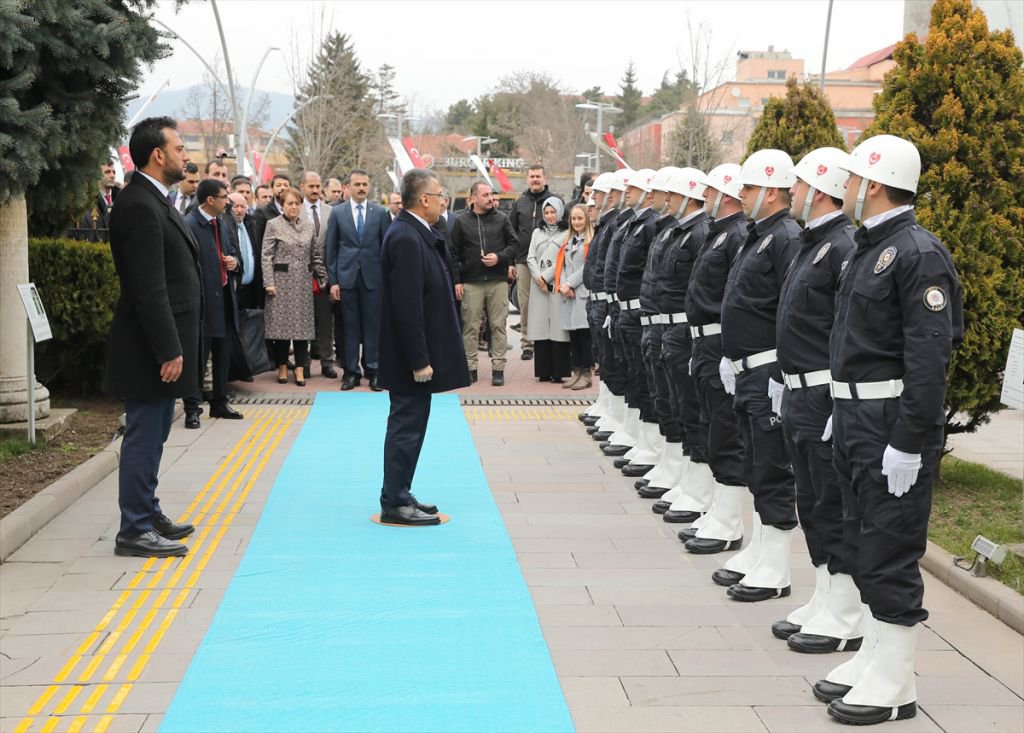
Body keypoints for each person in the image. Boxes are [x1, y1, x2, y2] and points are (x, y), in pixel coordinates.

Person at [814, 135, 963, 727]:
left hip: (888, 423)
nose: (848, 189)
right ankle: (874, 657)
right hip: (855, 416)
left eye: (853, 179)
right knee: (858, 540)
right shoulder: (867, 248)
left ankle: (896, 680)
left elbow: (928, 359)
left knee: (888, 549)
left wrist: (908, 440)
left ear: (873, 183)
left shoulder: (918, 254)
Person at [768, 148, 861, 654]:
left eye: (799, 186)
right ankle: (825, 594)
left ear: (820, 189)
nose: (792, 195)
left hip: (825, 393)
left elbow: (846, 331)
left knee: (831, 501)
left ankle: (846, 611)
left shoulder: (842, 245)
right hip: (799, 390)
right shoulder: (812, 244)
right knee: (811, 500)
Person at [104, 116, 200, 558]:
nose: (186, 156)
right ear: (158, 154)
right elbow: (148, 287)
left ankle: (147, 509)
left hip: (160, 343)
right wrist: (168, 348)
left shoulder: (154, 199)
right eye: (180, 148)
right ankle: (134, 529)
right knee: (144, 434)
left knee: (156, 431)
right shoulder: (139, 204)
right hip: (149, 348)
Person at [717, 149, 801, 602]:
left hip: (768, 368)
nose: (740, 195)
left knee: (771, 467)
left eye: (747, 188)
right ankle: (760, 548)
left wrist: (781, 373)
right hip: (747, 369)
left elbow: (791, 310)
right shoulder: (759, 234)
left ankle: (776, 567)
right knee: (754, 462)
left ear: (770, 191)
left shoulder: (785, 236)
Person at [377, 169, 470, 526]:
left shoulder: (417, 232)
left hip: (416, 354)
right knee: (406, 425)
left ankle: (401, 491)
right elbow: (407, 305)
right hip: (408, 358)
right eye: (439, 193)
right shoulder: (405, 236)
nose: (443, 199)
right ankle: (394, 500)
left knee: (413, 424)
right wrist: (418, 359)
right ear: (424, 199)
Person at [677, 164, 748, 555]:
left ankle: (729, 521)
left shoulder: (735, 234)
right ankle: (718, 510)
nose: (705, 197)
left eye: (711, 191)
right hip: (702, 342)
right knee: (708, 424)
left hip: (719, 342)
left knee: (724, 430)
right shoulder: (719, 233)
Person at [182, 178, 244, 427]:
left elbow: (235, 254)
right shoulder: (189, 225)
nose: (228, 201)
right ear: (210, 200)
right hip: (202, 304)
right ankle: (192, 407)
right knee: (198, 357)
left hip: (224, 299)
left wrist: (234, 263)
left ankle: (219, 403)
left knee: (223, 355)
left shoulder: (222, 223)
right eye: (224, 196)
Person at [325, 169, 390, 391]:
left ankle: (373, 371)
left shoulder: (380, 213)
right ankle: (351, 372)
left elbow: (386, 249)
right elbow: (331, 250)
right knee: (349, 328)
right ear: (348, 187)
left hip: (373, 280)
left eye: (365, 184)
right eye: (357, 184)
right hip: (347, 279)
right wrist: (333, 281)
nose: (361, 188)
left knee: (373, 327)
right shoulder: (338, 213)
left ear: (369, 186)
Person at [449, 181, 518, 386]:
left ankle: (498, 368)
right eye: (486, 195)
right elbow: (453, 253)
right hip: (471, 281)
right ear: (473, 198)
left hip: (497, 281)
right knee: (470, 326)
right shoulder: (461, 221)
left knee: (498, 325)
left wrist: (500, 257)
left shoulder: (502, 219)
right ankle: (470, 368)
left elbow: (515, 244)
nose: (490, 198)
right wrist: (457, 281)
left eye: (491, 195)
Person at [262, 187, 326, 387]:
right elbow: (266, 256)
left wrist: (322, 277)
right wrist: (269, 282)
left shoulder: (308, 226)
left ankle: (299, 366)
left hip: (302, 283)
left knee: (302, 328)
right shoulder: (273, 225)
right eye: (289, 203)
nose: (294, 207)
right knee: (281, 328)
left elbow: (315, 255)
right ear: (282, 205)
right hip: (280, 283)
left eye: (297, 203)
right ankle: (282, 365)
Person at [510, 164, 562, 361]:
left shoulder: (554, 202)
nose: (535, 179)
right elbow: (512, 232)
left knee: (550, 303)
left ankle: (546, 342)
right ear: (527, 178)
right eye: (531, 176)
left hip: (549, 264)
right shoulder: (520, 202)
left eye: (538, 176)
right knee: (525, 305)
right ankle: (527, 344)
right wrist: (510, 261)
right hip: (523, 261)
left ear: (545, 178)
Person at [526, 197, 571, 382]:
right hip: (538, 285)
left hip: (557, 282)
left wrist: (546, 277)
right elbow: (530, 257)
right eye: (546, 212)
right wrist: (538, 277)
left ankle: (559, 371)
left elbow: (563, 259)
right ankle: (543, 371)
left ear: (559, 212)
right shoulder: (537, 232)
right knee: (541, 325)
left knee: (558, 327)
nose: (550, 216)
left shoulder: (567, 233)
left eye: (553, 212)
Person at [300, 171, 337, 378]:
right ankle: (303, 363)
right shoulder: (295, 209)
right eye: (311, 186)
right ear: (302, 186)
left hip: (324, 275)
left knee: (325, 322)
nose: (315, 190)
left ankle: (327, 362)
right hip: (300, 275)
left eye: (318, 186)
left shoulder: (331, 212)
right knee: (303, 321)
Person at [555, 203, 594, 389]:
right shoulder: (568, 241)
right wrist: (563, 285)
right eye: (574, 218)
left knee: (584, 336)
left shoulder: (590, 241)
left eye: (580, 218)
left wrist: (569, 283)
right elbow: (562, 265)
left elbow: (586, 267)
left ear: (587, 219)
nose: (576, 222)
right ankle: (576, 371)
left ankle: (587, 373)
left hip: (582, 293)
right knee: (574, 336)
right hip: (568, 295)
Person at [228, 192, 262, 310]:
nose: (239, 210)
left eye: (242, 206)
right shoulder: (224, 228)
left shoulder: (252, 225)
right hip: (234, 288)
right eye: (235, 206)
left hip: (252, 289)